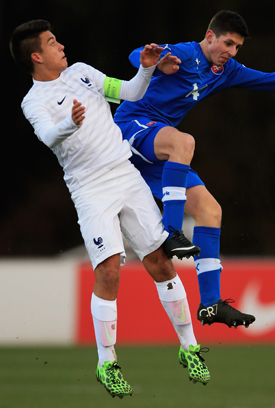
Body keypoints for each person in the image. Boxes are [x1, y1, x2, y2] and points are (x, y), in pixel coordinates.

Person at [10, 20, 211, 398]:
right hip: (90, 188)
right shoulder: (33, 101)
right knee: (109, 269)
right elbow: (49, 136)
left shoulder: (83, 73)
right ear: (37, 56)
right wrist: (69, 122)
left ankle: (190, 348)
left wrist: (146, 68)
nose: (61, 45)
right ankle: (107, 362)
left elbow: (131, 92)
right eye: (52, 42)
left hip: (125, 174)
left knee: (162, 262)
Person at [113, 9, 275, 329]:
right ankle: (171, 231)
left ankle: (211, 304)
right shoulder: (186, 53)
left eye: (237, 47)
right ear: (210, 36)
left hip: (162, 149)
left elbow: (268, 81)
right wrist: (156, 62)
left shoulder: (226, 70)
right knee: (184, 142)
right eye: (228, 43)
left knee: (211, 211)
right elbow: (138, 54)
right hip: (132, 128)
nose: (232, 51)